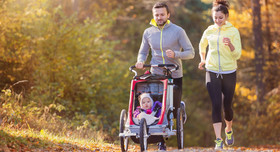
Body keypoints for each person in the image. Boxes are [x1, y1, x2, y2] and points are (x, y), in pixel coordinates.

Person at [135, 2, 195, 150]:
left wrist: (176, 54)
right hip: (156, 74)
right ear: (153, 16)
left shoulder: (178, 31)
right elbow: (143, 52)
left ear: (168, 15)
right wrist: (141, 61)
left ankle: (180, 107)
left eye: (162, 14)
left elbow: (191, 52)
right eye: (156, 15)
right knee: (158, 108)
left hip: (174, 72)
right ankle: (161, 142)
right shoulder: (148, 32)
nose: (159, 17)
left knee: (173, 110)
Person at [198, 0, 242, 150]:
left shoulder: (233, 31)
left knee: (227, 106)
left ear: (226, 17)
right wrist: (203, 59)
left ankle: (228, 129)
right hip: (212, 70)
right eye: (215, 18)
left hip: (229, 71)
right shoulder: (209, 30)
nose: (217, 21)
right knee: (216, 104)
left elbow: (237, 55)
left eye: (220, 18)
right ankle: (218, 140)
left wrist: (230, 45)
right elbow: (202, 44)